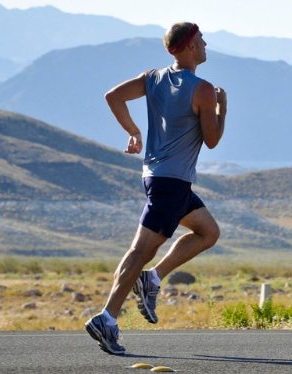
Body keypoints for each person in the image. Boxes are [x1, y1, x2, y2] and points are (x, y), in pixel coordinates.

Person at [84, 22, 227, 355]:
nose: (206, 45)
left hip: (158, 177)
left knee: (208, 232)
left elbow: (113, 96)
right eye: (202, 41)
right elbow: (213, 140)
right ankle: (107, 318)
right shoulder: (203, 90)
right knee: (139, 251)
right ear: (190, 46)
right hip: (172, 183)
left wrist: (133, 131)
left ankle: (153, 278)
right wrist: (222, 107)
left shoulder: (153, 77)